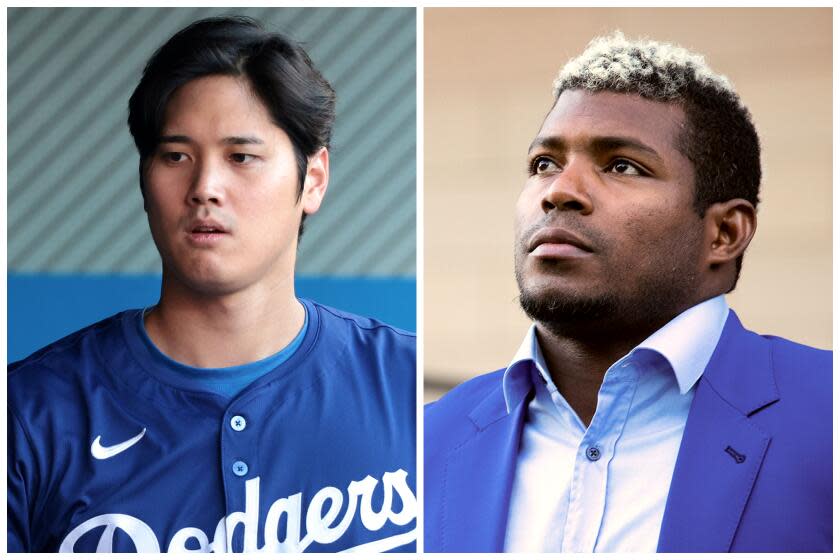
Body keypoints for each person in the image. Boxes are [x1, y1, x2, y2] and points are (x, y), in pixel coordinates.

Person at [8, 16, 416, 553]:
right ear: (144, 178)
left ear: (313, 178)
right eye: (176, 156)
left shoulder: (407, 389)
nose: (205, 188)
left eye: (241, 157)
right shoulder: (26, 413)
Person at [424, 32, 831, 553]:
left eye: (622, 166)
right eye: (544, 163)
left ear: (724, 233)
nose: (559, 191)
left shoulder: (826, 416)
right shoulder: (427, 442)